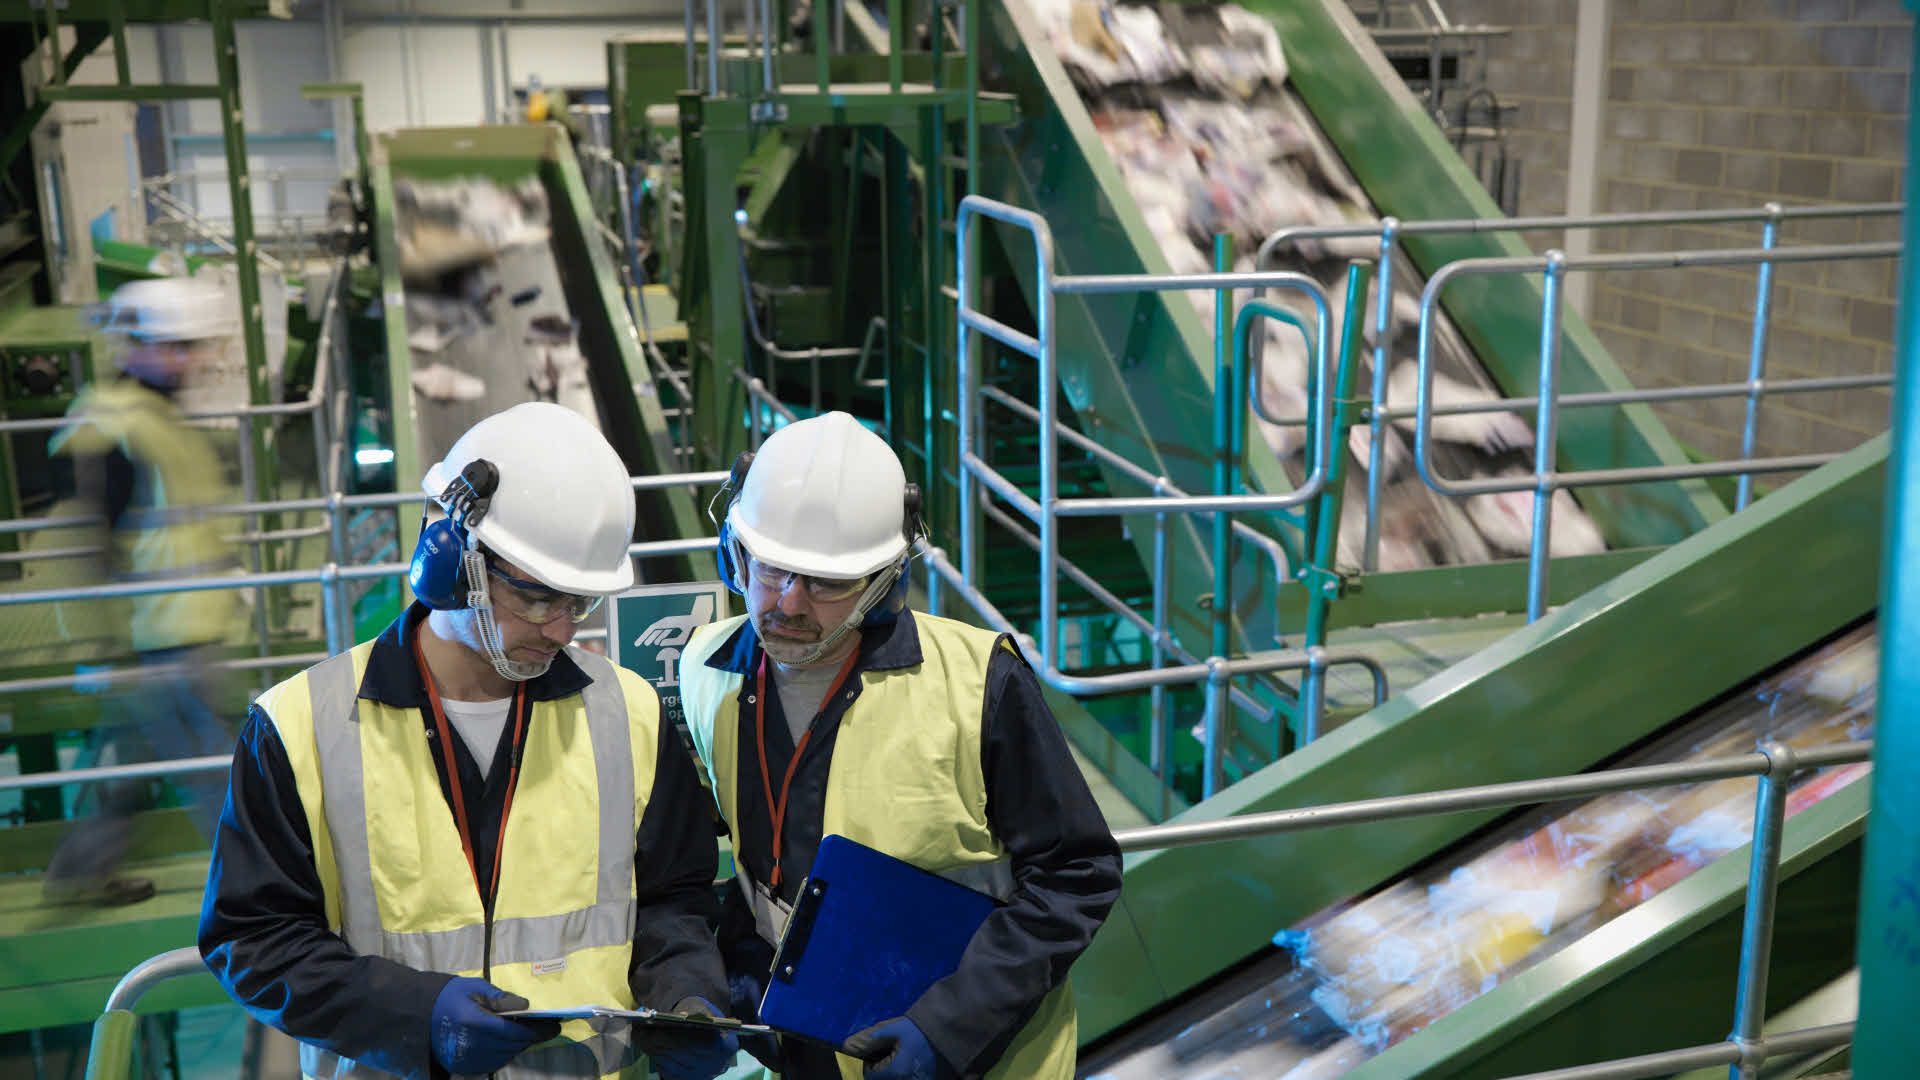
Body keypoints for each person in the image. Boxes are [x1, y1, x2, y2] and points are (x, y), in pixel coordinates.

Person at [200, 402, 739, 1080]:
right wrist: (415, 1014)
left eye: (581, 603)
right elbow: (255, 940)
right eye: (541, 598)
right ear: (451, 558)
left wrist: (687, 993)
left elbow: (673, 897)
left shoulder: (624, 711)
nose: (564, 632)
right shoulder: (299, 727)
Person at [679, 411, 1123, 1080]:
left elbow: (1077, 875)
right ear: (733, 551)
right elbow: (757, 864)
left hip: (973, 1063)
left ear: (886, 579)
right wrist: (739, 973)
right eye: (769, 569)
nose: (790, 603)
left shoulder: (979, 686)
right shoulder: (705, 668)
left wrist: (947, 1029)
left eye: (827, 583)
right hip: (804, 1051)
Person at [42, 276, 244, 906]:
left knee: (132, 768)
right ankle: (259, 899)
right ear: (131, 346)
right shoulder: (115, 429)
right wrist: (98, 646)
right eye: (171, 346)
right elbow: (83, 545)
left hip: (180, 629)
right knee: (216, 773)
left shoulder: (154, 419)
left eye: (189, 346)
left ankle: (76, 877)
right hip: (160, 639)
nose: (185, 360)